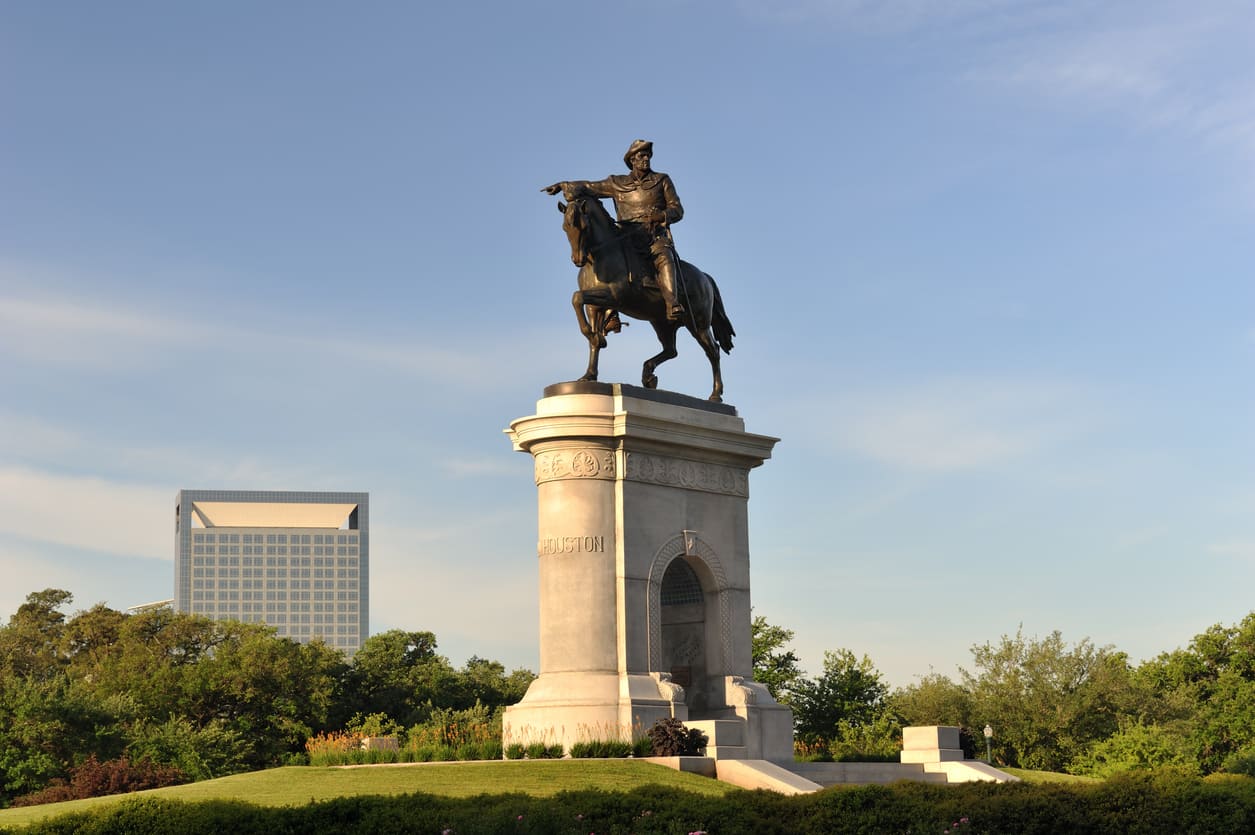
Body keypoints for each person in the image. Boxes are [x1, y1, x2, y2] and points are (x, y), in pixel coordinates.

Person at [544, 139, 687, 319]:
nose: (646, 159)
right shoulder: (617, 183)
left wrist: (662, 216)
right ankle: (611, 316)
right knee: (607, 260)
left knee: (665, 258)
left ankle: (672, 302)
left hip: (653, 237)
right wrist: (563, 185)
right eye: (641, 156)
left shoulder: (662, 180)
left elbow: (677, 209)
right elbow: (589, 186)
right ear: (632, 160)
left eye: (648, 156)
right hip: (626, 237)